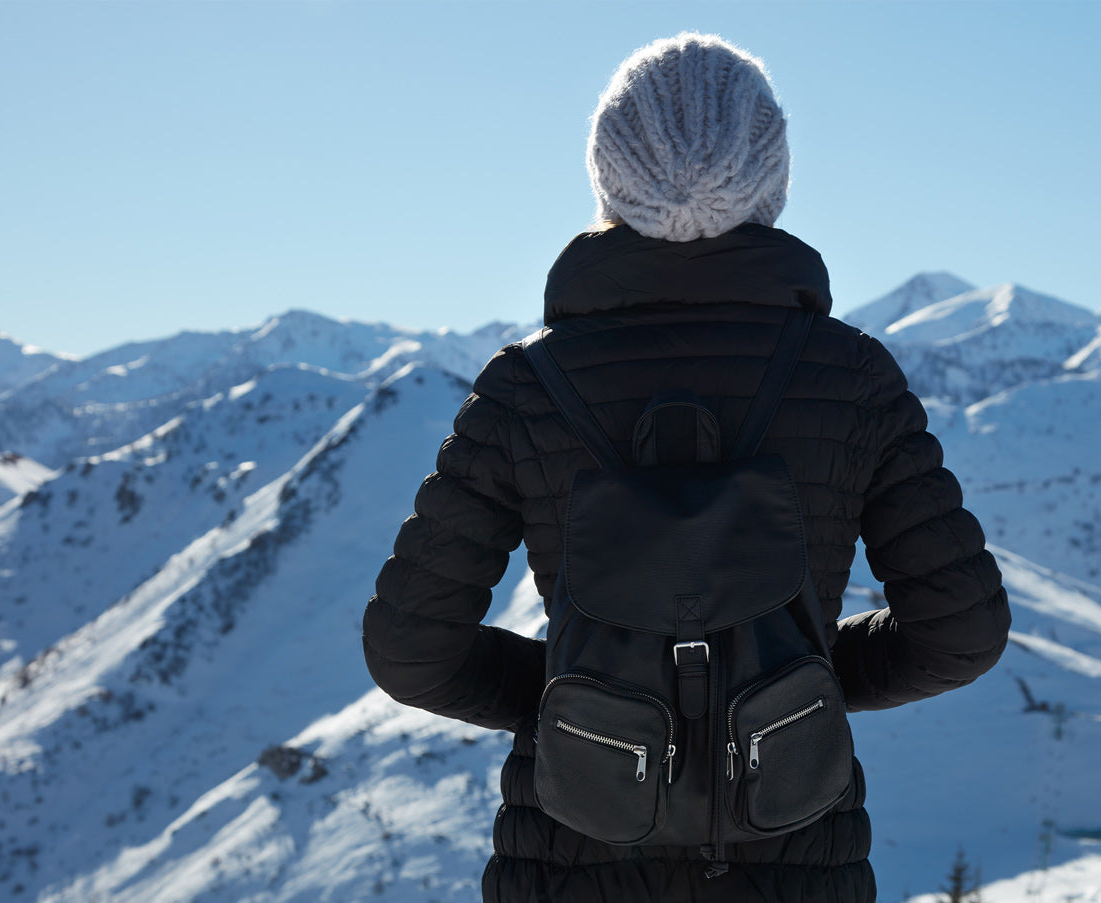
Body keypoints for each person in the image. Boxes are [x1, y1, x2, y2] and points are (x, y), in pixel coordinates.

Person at [362, 32, 1011, 903]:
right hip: (793, 860)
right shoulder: (851, 378)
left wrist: (581, 694)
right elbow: (958, 630)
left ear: (609, 174)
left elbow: (412, 650)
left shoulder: (527, 384)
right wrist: (789, 684)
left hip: (569, 861)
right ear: (771, 178)